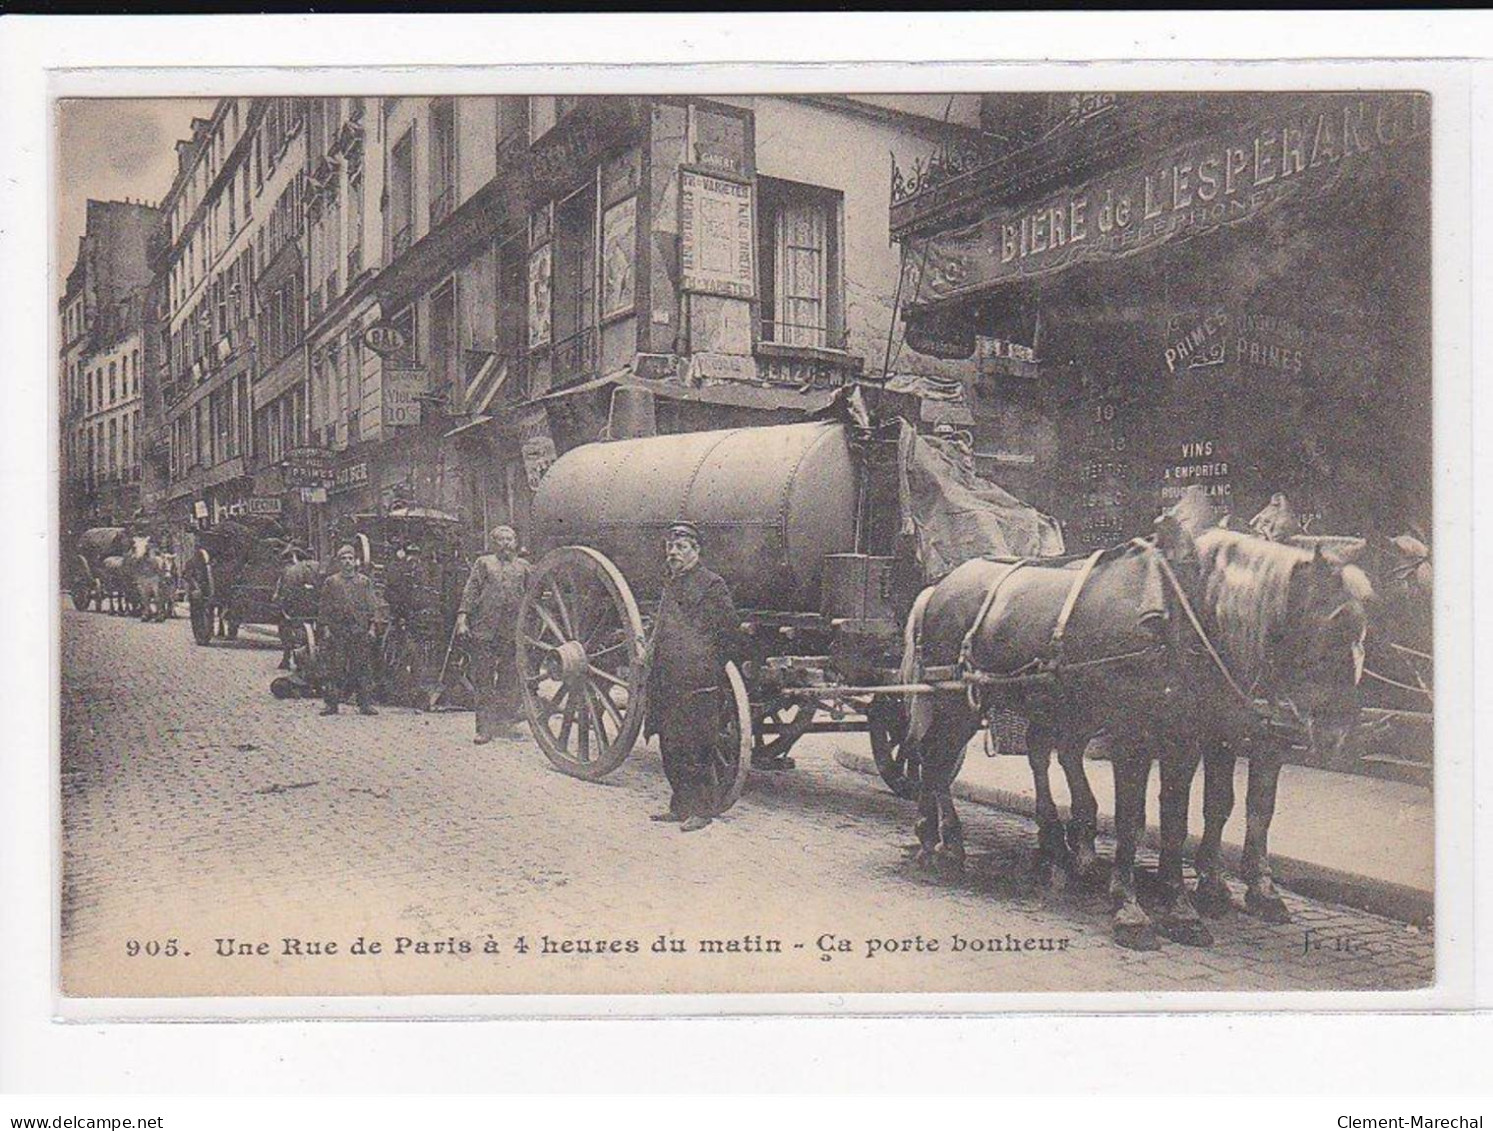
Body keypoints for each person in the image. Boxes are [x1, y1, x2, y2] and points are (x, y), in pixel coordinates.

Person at [645, 521, 742, 833]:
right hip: (667, 675)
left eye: (681, 547)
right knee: (670, 743)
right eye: (670, 547)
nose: (674, 553)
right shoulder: (671, 583)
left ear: (695, 551)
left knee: (697, 746)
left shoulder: (712, 584)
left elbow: (728, 629)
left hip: (697, 678)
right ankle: (680, 806)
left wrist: (709, 664)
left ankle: (702, 810)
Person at [456, 525, 531, 743]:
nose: (506, 543)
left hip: (512, 631)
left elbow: (534, 596)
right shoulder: (484, 563)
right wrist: (462, 618)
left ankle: (503, 724)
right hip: (484, 630)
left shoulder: (524, 567)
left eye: (509, 539)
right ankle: (484, 729)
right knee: (484, 680)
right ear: (493, 543)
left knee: (509, 678)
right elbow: (471, 591)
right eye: (501, 539)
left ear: (515, 542)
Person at [317, 544, 380, 716]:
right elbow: (324, 608)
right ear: (339, 562)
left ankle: (365, 704)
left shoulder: (364, 582)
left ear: (355, 561)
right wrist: (326, 629)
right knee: (335, 668)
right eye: (343, 559)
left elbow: (372, 607)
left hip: (359, 630)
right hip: (338, 631)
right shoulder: (331, 582)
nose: (347, 562)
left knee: (362, 668)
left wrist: (372, 628)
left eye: (350, 558)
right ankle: (331, 704)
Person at [272, 544, 319, 670]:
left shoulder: (288, 571)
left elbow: (281, 591)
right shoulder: (317, 567)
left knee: (284, 626)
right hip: (314, 605)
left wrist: (278, 599)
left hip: (293, 606)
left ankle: (287, 656)